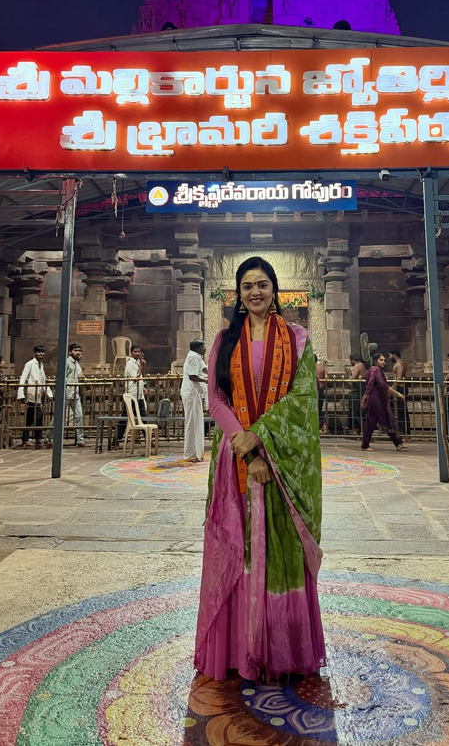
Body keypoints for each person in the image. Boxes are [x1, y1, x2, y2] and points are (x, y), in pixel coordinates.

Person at [195, 256, 325, 682]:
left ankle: (279, 649)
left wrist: (262, 437)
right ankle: (238, 649)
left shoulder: (298, 339)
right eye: (248, 285)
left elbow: (303, 398)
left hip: (282, 465)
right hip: (237, 461)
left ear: (275, 291)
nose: (255, 292)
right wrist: (246, 450)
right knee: (240, 547)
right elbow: (216, 400)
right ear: (238, 293)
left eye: (263, 284)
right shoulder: (223, 340)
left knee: (278, 547)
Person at [360, 353, 406, 451]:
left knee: (387, 420)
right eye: (381, 360)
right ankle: (365, 445)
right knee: (371, 422)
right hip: (375, 400)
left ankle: (398, 443)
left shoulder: (375, 370)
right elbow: (383, 385)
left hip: (379, 399)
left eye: (384, 360)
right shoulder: (375, 370)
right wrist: (398, 393)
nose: (383, 362)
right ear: (376, 360)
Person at [17, 345, 53, 448]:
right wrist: (21, 393)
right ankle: (37, 439)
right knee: (37, 417)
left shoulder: (41, 365)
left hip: (39, 393)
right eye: (39, 352)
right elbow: (23, 378)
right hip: (32, 392)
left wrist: (49, 393)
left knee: (31, 417)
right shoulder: (29, 364)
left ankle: (27, 439)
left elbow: (43, 380)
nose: (41, 354)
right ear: (35, 353)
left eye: (42, 352)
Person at [182, 339, 208, 462]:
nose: (205, 349)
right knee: (192, 423)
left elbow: (204, 369)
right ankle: (191, 454)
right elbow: (192, 376)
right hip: (192, 393)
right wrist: (206, 381)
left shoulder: (196, 356)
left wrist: (214, 373)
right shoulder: (193, 357)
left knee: (196, 422)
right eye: (203, 346)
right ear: (197, 348)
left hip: (194, 393)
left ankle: (196, 453)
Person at [116, 345, 147, 441]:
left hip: (139, 395)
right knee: (125, 417)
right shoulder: (130, 363)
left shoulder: (138, 362)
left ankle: (147, 438)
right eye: (135, 352)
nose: (137, 354)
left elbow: (141, 377)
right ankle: (116, 439)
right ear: (131, 353)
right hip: (132, 394)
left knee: (143, 416)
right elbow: (135, 378)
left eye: (139, 352)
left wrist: (143, 387)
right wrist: (141, 367)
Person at [65, 343, 85, 447]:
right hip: (66, 393)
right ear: (70, 352)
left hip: (75, 394)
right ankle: (48, 438)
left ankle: (80, 440)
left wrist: (81, 376)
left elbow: (78, 374)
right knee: (59, 417)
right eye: (75, 350)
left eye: (79, 351)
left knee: (79, 416)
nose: (78, 352)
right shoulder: (67, 362)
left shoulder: (77, 364)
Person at [389, 349, 411, 436]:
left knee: (401, 410)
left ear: (394, 355)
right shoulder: (398, 364)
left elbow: (399, 377)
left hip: (400, 387)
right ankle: (399, 429)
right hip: (398, 387)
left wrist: (392, 388)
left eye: (390, 355)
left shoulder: (399, 364)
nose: (389, 357)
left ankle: (404, 431)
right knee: (397, 409)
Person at [349, 354, 367, 433]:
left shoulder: (358, 366)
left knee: (356, 411)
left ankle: (361, 429)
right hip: (360, 390)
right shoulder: (362, 365)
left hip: (358, 391)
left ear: (353, 360)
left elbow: (353, 378)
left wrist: (348, 374)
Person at [315, 354, 328, 433]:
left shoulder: (310, 367)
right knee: (319, 409)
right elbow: (327, 378)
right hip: (321, 390)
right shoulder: (322, 368)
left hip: (313, 390)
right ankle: (321, 425)